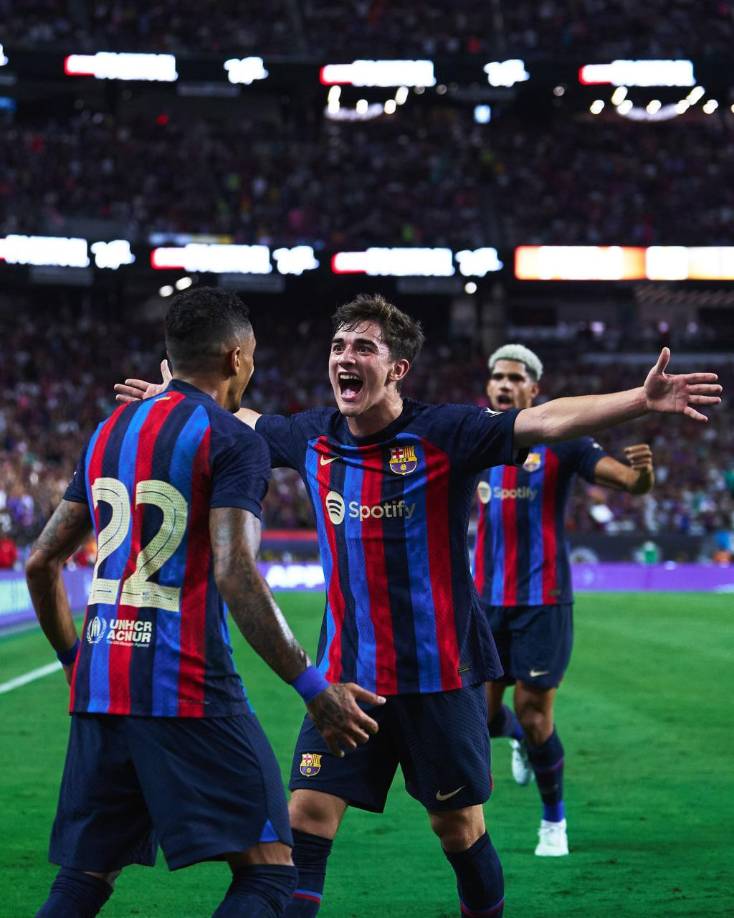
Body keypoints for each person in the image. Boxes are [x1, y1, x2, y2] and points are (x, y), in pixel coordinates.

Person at [116, 293, 721, 918]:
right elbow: (237, 420)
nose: (345, 358)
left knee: (458, 830)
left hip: (439, 679)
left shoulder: (447, 433)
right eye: (338, 346)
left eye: (364, 348)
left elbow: (548, 422)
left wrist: (640, 401)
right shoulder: (312, 438)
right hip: (347, 683)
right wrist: (175, 399)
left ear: (398, 368)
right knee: (307, 818)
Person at [27, 287, 383, 918]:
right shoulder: (231, 440)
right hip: (185, 686)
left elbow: (41, 562)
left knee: (85, 878)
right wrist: (313, 685)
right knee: (271, 873)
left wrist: (71, 662)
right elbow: (236, 574)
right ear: (236, 358)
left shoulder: (108, 431)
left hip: (102, 687)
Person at [474, 344, 655, 858]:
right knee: (482, 721)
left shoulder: (563, 442)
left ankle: (553, 822)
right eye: (497, 377)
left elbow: (625, 481)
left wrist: (641, 476)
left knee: (535, 716)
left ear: (535, 389)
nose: (504, 385)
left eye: (515, 378)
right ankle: (517, 743)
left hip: (543, 601)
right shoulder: (472, 439)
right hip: (485, 601)